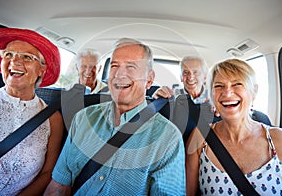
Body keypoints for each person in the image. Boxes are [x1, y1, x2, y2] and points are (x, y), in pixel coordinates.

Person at [44, 38, 185, 195]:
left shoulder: (169, 138)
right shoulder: (83, 118)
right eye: (114, 66)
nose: (119, 74)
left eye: (131, 67)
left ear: (149, 79)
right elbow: (59, 185)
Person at [185, 59, 282, 195]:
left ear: (254, 91)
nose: (227, 93)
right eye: (218, 86)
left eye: (237, 84)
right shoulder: (200, 137)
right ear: (211, 95)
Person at [0, 28, 64, 195]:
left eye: (27, 57)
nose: (14, 62)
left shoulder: (52, 119)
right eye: (8, 54)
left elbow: (47, 173)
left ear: (41, 70)